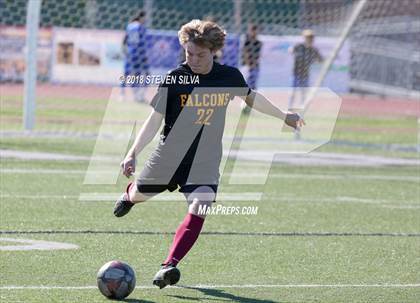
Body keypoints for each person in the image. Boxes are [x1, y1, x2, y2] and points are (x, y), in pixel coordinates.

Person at [113, 19, 304, 289]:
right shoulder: (175, 78)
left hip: (205, 159)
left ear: (213, 51)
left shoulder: (229, 76)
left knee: (201, 204)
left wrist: (284, 115)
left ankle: (169, 265)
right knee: (139, 195)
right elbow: (154, 119)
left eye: (200, 55)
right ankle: (130, 195)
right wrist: (132, 153)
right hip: (169, 157)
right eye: (188, 53)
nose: (193, 59)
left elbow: (252, 98)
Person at [288, 29, 323, 110]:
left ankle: (302, 107)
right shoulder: (299, 46)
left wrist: (316, 60)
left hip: (305, 74)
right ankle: (290, 106)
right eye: (308, 37)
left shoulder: (313, 50)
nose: (310, 39)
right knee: (293, 91)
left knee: (304, 92)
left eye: (311, 37)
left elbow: (320, 59)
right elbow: (291, 50)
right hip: (296, 72)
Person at [121, 11, 149, 102]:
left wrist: (125, 52)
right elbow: (142, 42)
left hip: (130, 53)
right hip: (139, 53)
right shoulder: (141, 27)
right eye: (145, 18)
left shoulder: (129, 26)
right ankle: (139, 95)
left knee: (127, 74)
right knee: (145, 74)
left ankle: (122, 94)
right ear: (142, 17)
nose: (146, 20)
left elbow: (124, 41)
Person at [241, 23, 263, 114]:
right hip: (248, 67)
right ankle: (245, 105)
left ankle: (248, 106)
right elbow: (245, 53)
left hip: (255, 67)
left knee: (253, 87)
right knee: (246, 86)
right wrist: (249, 64)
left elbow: (258, 56)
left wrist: (254, 64)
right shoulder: (247, 41)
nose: (254, 32)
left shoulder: (258, 43)